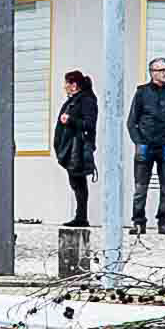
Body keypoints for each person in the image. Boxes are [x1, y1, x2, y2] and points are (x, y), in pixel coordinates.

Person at [126, 57, 165, 235]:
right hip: (145, 146)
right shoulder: (142, 93)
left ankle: (164, 222)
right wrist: (138, 142)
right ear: (152, 73)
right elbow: (131, 122)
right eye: (161, 70)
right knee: (140, 187)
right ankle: (138, 223)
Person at [54, 70, 98, 228]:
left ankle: (81, 217)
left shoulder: (86, 100)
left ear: (74, 85)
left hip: (77, 149)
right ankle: (80, 216)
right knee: (76, 183)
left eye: (67, 83)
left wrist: (70, 119)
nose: (64, 86)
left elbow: (89, 124)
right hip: (71, 149)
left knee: (79, 184)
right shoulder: (75, 100)